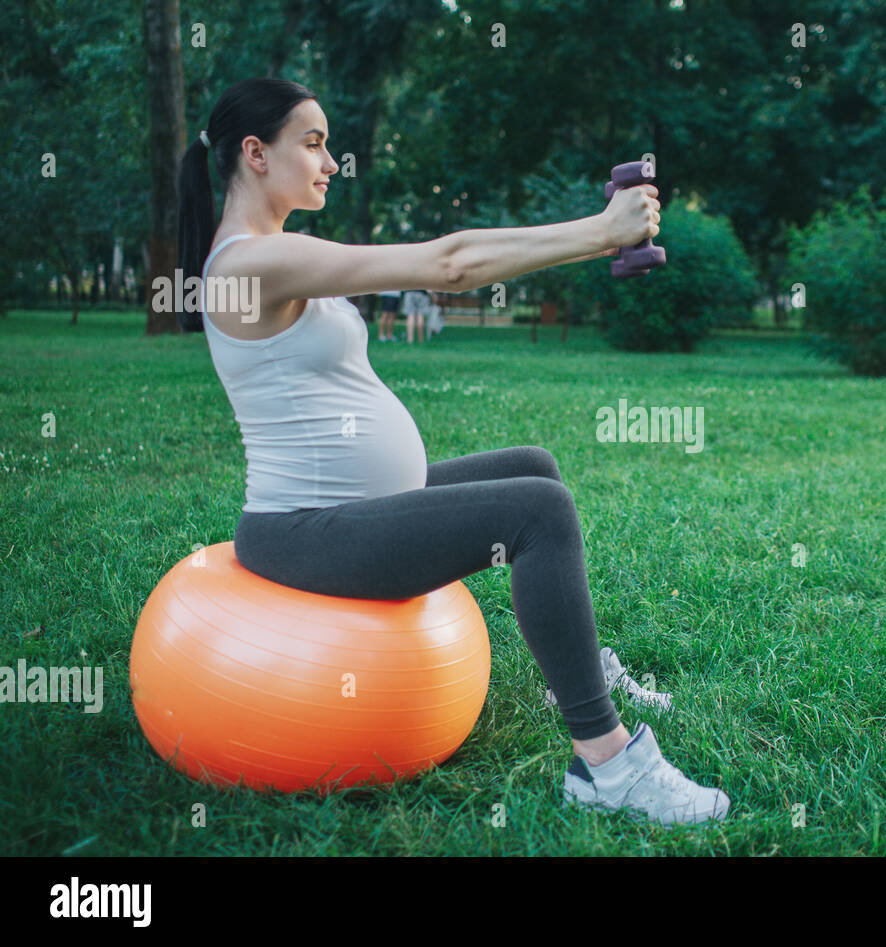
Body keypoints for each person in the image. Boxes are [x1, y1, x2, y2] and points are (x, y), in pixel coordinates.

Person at [175, 77, 728, 825]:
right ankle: (609, 767)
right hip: (304, 530)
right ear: (255, 153)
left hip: (356, 507)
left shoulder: (273, 253)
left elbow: (459, 261)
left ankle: (575, 673)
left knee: (531, 467)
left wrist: (595, 237)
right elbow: (449, 265)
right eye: (312, 142)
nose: (332, 161)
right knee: (539, 512)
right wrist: (601, 232)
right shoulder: (252, 265)